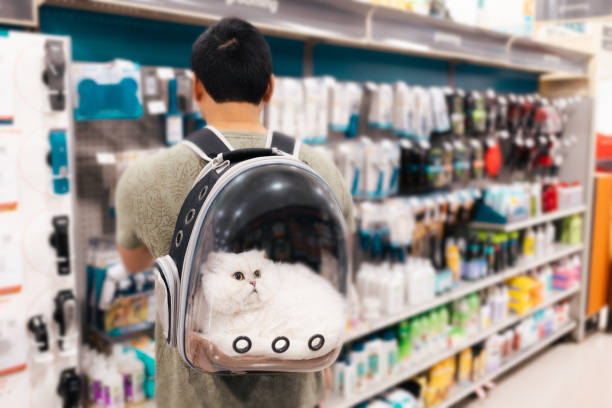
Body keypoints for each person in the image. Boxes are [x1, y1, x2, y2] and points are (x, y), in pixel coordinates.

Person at [115, 17, 355, 407]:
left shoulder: (143, 178)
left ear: (196, 88)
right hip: (294, 390)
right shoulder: (323, 171)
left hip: (192, 395)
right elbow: (334, 263)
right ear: (270, 88)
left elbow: (132, 261)